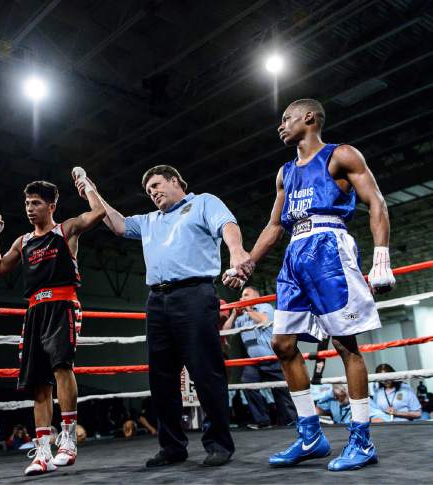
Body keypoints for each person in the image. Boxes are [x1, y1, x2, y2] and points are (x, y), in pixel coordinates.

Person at [224, 99, 395, 471]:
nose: (280, 126)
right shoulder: (285, 172)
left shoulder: (341, 155)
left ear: (310, 118)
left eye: (287, 119)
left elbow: (376, 201)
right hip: (295, 255)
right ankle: (310, 435)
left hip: (329, 247)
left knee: (346, 344)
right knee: (282, 343)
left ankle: (361, 439)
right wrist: (248, 263)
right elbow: (274, 225)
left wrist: (381, 256)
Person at [77, 164, 253, 467]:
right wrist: (92, 189)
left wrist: (236, 251)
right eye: (148, 191)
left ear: (176, 181)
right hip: (157, 300)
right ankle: (172, 446)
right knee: (161, 378)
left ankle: (219, 443)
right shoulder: (149, 221)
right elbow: (117, 225)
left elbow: (227, 225)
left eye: (157, 185)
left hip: (195, 294)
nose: (153, 193)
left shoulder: (203, 202)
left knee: (205, 371)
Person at [0, 168, 106, 475]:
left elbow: (99, 212)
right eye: (27, 203)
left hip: (63, 303)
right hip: (35, 310)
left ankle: (68, 437)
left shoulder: (66, 230)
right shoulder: (23, 241)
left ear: (51, 206)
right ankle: (42, 451)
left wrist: (86, 184)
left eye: (36, 202)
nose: (29, 208)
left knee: (62, 367)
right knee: (38, 381)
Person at [222, 285, 297, 428]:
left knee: (282, 390)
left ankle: (290, 421)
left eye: (246, 295)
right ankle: (262, 421)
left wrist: (248, 309)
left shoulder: (265, 307)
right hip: (254, 361)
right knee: (248, 383)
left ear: (256, 297)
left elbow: (263, 320)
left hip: (272, 357)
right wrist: (233, 315)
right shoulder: (242, 316)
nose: (242, 298)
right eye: (242, 295)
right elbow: (226, 331)